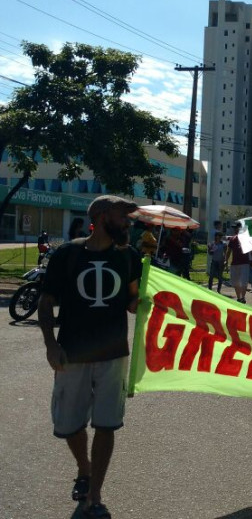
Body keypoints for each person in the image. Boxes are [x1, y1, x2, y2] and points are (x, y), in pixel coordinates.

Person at [38, 195, 142, 519]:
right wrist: (50, 345)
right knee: (69, 426)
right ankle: (84, 468)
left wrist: (149, 298)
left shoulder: (130, 258)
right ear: (100, 215)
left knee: (107, 425)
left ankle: (94, 492)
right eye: (122, 216)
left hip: (113, 354)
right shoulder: (67, 254)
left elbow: (133, 302)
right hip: (72, 353)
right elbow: (45, 302)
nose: (128, 222)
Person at [224, 222, 252, 303]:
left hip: (244, 263)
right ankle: (239, 297)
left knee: (244, 281)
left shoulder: (246, 239)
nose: (235, 229)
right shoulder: (232, 239)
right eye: (234, 228)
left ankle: (243, 297)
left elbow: (251, 250)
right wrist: (226, 260)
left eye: (236, 228)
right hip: (235, 263)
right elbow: (228, 251)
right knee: (235, 282)